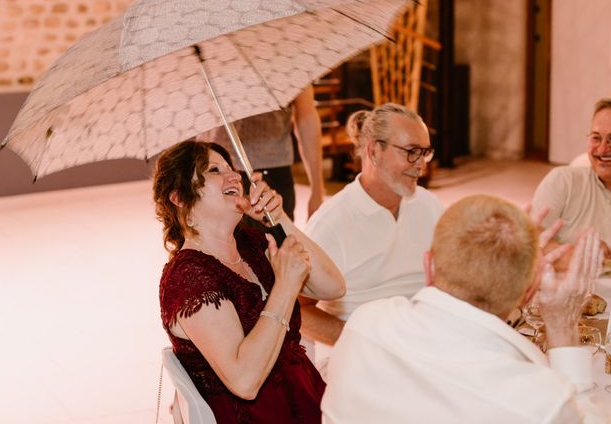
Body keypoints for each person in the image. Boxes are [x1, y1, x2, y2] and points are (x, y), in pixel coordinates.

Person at [322, 195, 606, 423]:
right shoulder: (540, 401)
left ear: (429, 266)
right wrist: (562, 328)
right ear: (525, 293)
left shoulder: (365, 322)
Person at [155, 140, 344, 423]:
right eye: (214, 170)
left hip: (307, 397)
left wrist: (279, 220)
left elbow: (333, 287)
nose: (234, 176)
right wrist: (286, 286)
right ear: (179, 198)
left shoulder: (252, 243)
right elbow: (244, 381)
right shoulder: (189, 277)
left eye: (232, 168)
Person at [300, 103, 444, 363]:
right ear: (374, 151)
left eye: (425, 152)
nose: (421, 164)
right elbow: (297, 309)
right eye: (412, 152)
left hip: (422, 343)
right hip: (356, 354)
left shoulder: (429, 205)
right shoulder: (332, 222)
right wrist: (361, 339)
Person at [199, 0, 324, 220]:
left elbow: (306, 118)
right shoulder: (207, 39)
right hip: (219, 170)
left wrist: (317, 188)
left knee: (278, 256)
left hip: (274, 170)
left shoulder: (288, 42)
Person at [532, 98, 611, 258]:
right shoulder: (562, 181)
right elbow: (531, 239)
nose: (602, 149)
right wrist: (580, 257)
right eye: (596, 138)